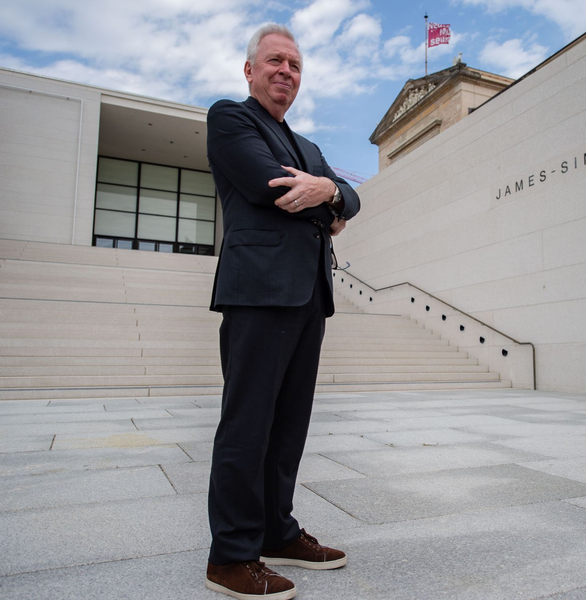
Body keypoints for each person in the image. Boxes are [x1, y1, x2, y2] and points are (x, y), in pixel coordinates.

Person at [204, 23, 360, 600]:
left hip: (308, 294)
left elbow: (352, 195)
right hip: (258, 291)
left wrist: (329, 191)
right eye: (274, 62)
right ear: (251, 70)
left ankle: (278, 531)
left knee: (289, 426)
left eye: (294, 65)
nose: (285, 72)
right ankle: (231, 557)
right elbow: (269, 185)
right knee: (247, 425)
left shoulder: (310, 148)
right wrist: (328, 201)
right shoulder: (231, 119)